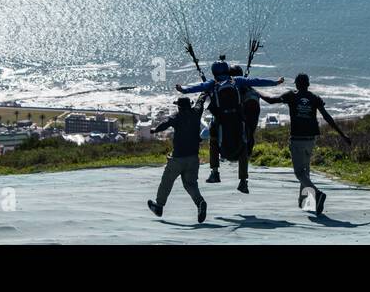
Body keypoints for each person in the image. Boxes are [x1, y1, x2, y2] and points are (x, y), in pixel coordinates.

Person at [176, 59, 282, 192]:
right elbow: (256, 81)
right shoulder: (236, 80)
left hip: (221, 120)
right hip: (238, 120)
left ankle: (215, 172)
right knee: (243, 144)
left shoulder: (212, 83)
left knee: (213, 140)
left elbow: (198, 87)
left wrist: (183, 90)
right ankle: (243, 181)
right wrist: (275, 82)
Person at [261, 73, 350, 214]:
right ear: (308, 84)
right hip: (311, 140)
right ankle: (305, 201)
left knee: (299, 173)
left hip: (297, 139)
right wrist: (342, 134)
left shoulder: (291, 95)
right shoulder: (314, 98)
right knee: (305, 171)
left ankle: (317, 194)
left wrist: (254, 90)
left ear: (296, 84)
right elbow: (326, 117)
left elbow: (271, 100)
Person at [148, 97, 207, 223]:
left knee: (167, 182)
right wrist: (205, 92)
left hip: (178, 158)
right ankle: (200, 202)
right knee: (190, 184)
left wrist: (154, 130)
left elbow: (165, 124)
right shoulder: (196, 112)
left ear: (179, 107)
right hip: (193, 158)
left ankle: (159, 207)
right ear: (190, 105)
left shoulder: (176, 116)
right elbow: (200, 102)